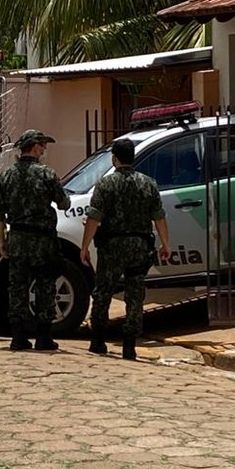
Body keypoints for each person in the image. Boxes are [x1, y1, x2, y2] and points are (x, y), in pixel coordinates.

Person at [80, 138, 170, 360]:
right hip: (140, 246)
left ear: (114, 159)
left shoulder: (105, 184)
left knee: (103, 292)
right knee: (135, 294)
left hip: (112, 246)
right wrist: (166, 243)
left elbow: (94, 217)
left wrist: (84, 246)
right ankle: (129, 345)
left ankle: (98, 340)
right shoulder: (148, 183)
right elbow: (158, 216)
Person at [0, 129, 71, 351]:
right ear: (35, 147)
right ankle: (43, 337)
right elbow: (63, 203)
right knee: (45, 285)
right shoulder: (47, 174)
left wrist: (1, 242)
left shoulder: (7, 175)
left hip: (17, 237)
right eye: (42, 145)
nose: (44, 149)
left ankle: (18, 336)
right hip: (42, 240)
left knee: (17, 287)